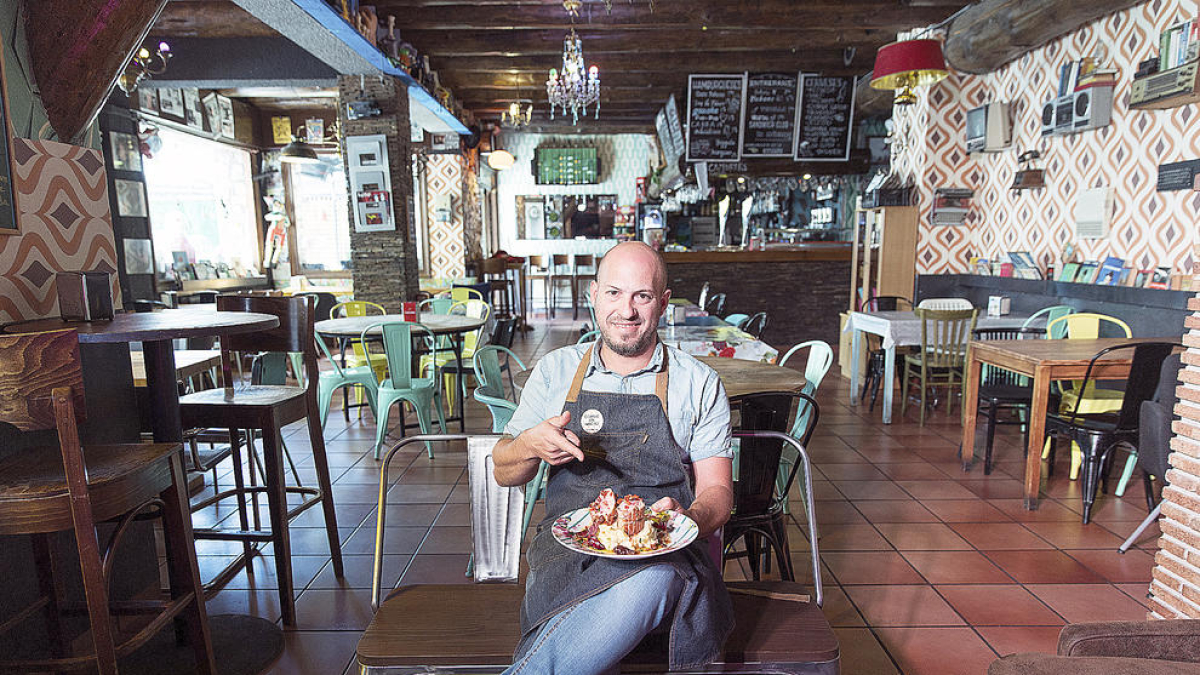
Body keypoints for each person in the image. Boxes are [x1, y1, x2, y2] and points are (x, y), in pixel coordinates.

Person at [493, 242, 735, 675]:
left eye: (641, 296)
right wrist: (530, 443)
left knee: (657, 576)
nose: (626, 310)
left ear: (662, 303)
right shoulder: (554, 371)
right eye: (613, 293)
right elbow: (502, 469)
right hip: (567, 549)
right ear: (593, 294)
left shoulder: (699, 384)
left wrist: (688, 519)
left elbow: (718, 492)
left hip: (662, 551)